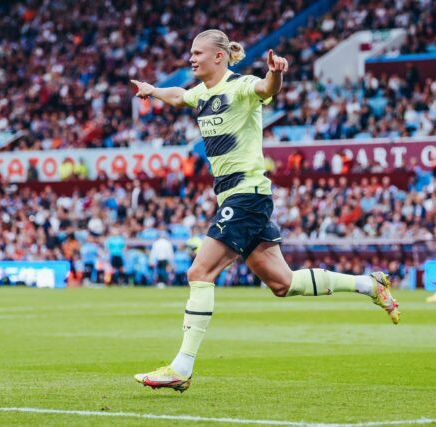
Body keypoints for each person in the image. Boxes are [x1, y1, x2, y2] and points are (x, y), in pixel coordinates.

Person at [130, 29, 399, 393]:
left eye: (197, 53)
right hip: (236, 197)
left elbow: (266, 89)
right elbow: (179, 96)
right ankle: (370, 285)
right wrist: (153, 91)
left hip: (246, 195)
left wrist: (277, 72)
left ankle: (182, 367)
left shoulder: (239, 87)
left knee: (200, 270)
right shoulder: (202, 93)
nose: (191, 59)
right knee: (282, 283)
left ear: (218, 57)